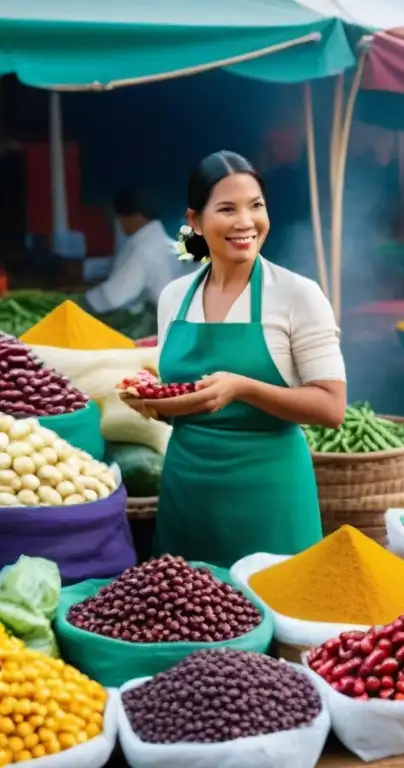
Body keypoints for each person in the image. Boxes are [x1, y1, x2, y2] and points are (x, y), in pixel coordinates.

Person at [140, 151, 347, 568]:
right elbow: (183, 400)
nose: (245, 222)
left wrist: (243, 388)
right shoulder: (174, 299)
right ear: (195, 221)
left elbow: (331, 407)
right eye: (227, 209)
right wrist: (153, 403)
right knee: (183, 615)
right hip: (187, 495)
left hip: (269, 497)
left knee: (277, 617)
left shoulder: (296, 294)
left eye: (256, 206)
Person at [83, 186, 187, 313]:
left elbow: (112, 297)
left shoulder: (144, 250)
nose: (120, 224)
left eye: (121, 218)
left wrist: (79, 303)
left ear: (137, 216)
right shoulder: (158, 240)